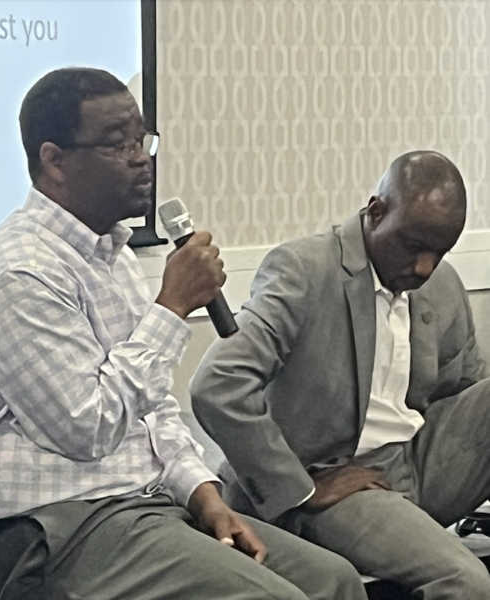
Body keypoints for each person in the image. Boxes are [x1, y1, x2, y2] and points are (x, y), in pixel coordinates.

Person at [0, 67, 366, 600]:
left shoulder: (108, 255)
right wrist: (173, 305)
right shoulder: (18, 273)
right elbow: (87, 428)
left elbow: (153, 406)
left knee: (334, 581)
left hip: (142, 505)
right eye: (118, 145)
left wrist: (204, 494)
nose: (142, 158)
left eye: (142, 140)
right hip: (51, 531)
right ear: (54, 161)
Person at [192, 151, 490, 598]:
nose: (426, 267)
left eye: (441, 252)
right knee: (465, 580)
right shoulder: (304, 270)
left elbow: (465, 397)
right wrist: (301, 490)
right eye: (413, 247)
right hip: (335, 476)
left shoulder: (440, 283)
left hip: (415, 462)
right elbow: (217, 385)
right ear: (375, 212)